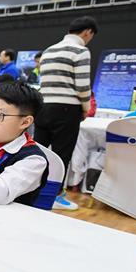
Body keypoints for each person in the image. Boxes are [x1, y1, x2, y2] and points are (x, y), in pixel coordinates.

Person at [34, 16, 97, 211]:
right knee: (61, 155)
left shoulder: (48, 51)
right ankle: (54, 196)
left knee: (39, 151)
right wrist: (86, 108)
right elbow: (82, 86)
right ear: (88, 32)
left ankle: (32, 190)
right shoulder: (80, 51)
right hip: (67, 108)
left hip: (43, 106)